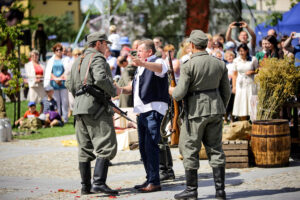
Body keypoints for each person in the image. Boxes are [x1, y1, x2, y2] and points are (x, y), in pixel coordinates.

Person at [169, 30, 231, 200]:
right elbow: (227, 92)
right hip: (216, 109)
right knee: (216, 149)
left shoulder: (189, 65)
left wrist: (172, 91)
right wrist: (220, 107)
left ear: (192, 45)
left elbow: (179, 94)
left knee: (189, 149)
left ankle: (191, 190)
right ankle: (220, 191)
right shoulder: (219, 63)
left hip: (195, 111)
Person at [66, 31, 118, 195]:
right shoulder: (97, 58)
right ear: (98, 43)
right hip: (96, 107)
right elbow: (101, 78)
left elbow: (69, 83)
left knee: (85, 148)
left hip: (79, 107)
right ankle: (99, 183)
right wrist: (113, 91)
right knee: (106, 144)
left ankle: (85, 187)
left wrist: (80, 97)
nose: (106, 46)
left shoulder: (78, 60)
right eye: (105, 43)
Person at [117, 39, 169, 193]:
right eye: (136, 50)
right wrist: (118, 89)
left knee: (151, 146)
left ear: (149, 52)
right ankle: (150, 178)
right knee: (144, 148)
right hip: (141, 111)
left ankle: (154, 181)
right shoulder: (140, 67)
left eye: (140, 50)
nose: (137, 53)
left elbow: (161, 68)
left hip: (153, 109)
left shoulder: (157, 61)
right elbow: (131, 88)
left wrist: (143, 64)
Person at [232, 44, 258, 121]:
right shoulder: (236, 60)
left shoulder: (253, 59)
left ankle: (253, 122)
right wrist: (234, 87)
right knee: (242, 101)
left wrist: (252, 72)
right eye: (240, 51)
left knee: (251, 101)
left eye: (243, 51)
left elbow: (258, 70)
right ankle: (243, 122)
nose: (241, 53)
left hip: (250, 83)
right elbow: (234, 75)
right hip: (240, 84)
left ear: (247, 51)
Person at [44, 43, 69, 123]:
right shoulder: (51, 60)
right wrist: (55, 79)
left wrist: (61, 78)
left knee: (65, 102)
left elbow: (67, 70)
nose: (59, 51)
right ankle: (58, 118)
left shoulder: (66, 59)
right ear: (54, 51)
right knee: (57, 102)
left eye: (60, 49)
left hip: (63, 83)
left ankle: (65, 118)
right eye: (57, 50)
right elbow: (49, 72)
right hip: (54, 84)